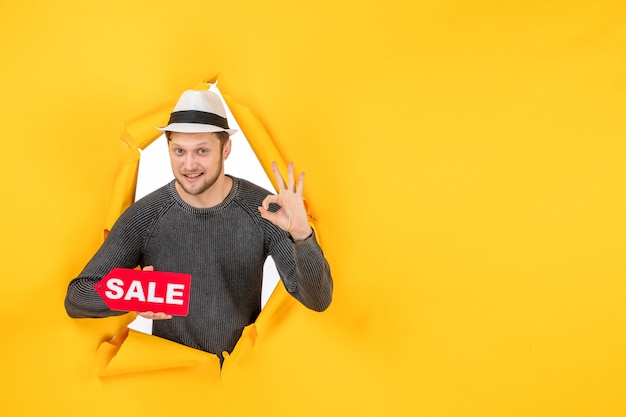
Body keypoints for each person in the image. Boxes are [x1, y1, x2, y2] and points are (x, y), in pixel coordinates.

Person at [64, 88, 333, 363]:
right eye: (179, 151)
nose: (189, 164)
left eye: (202, 150)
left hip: (240, 382)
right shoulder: (145, 216)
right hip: (172, 383)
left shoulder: (266, 210)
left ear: (225, 148)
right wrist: (133, 296)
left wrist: (302, 236)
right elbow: (77, 296)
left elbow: (317, 300)